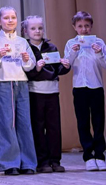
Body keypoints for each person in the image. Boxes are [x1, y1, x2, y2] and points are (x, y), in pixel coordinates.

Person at [0, 6, 37, 175]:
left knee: (24, 122)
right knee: (7, 122)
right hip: (3, 83)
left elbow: (30, 66)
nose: (10, 20)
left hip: (21, 82)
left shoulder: (22, 42)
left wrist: (26, 59)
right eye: (6, 18)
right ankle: (10, 163)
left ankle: (28, 163)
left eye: (13, 17)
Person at [64, 11, 106, 171]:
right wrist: (73, 52)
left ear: (91, 26)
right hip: (79, 88)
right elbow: (67, 64)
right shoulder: (71, 43)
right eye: (80, 26)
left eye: (86, 26)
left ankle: (100, 155)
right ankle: (88, 156)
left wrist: (99, 53)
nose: (83, 29)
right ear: (74, 27)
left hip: (96, 87)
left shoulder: (99, 42)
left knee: (98, 122)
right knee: (83, 123)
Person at [21, 15, 70, 173]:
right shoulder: (25, 48)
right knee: (38, 128)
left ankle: (55, 160)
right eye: (33, 28)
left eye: (40, 28)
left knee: (54, 127)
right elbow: (25, 73)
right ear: (26, 31)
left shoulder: (51, 47)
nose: (37, 31)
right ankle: (42, 162)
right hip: (35, 92)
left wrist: (65, 67)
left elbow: (57, 70)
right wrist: (37, 69)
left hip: (52, 92)